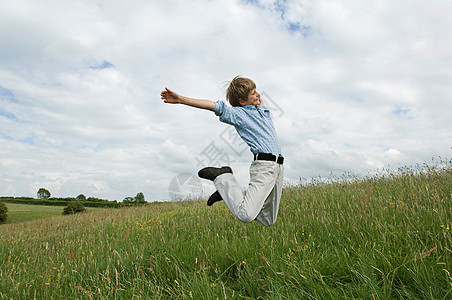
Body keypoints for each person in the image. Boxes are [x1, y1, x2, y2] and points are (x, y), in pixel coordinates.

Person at [161, 76, 284, 226]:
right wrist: (181, 99)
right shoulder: (239, 114)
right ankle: (223, 178)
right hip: (264, 166)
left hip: (279, 168)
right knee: (246, 215)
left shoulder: (263, 111)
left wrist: (251, 90)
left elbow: (257, 97)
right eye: (253, 93)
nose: (258, 94)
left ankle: (226, 193)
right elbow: (213, 106)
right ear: (242, 101)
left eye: (256, 90)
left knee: (268, 220)